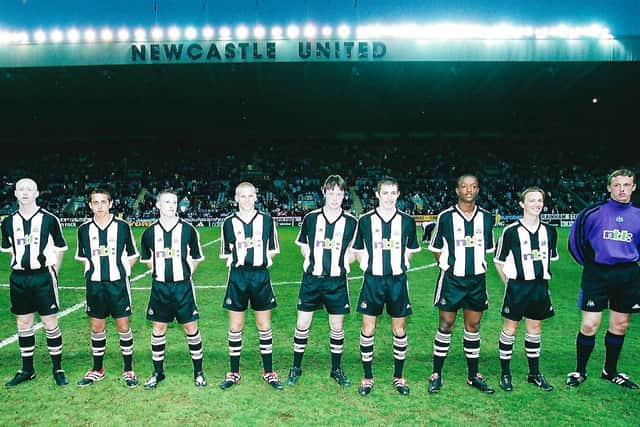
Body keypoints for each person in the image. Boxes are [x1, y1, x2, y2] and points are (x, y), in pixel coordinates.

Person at [566, 168, 640, 389]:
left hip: (627, 275)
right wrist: (592, 265)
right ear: (609, 187)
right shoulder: (593, 213)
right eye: (617, 185)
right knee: (589, 324)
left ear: (634, 187)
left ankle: (610, 371)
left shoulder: (638, 215)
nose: (621, 190)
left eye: (626, 185)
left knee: (620, 324)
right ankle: (580, 371)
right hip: (597, 273)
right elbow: (575, 243)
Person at [285, 175, 358, 387]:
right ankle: (296, 367)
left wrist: (347, 259)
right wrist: (308, 256)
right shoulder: (311, 218)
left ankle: (336, 369)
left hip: (337, 282)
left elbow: (356, 250)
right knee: (302, 323)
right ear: (324, 192)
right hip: (312, 280)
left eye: (339, 193)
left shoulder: (352, 222)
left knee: (336, 326)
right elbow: (302, 244)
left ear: (344, 195)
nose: (335, 198)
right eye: (331, 192)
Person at [427, 174, 495, 394]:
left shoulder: (486, 217)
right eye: (464, 187)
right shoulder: (446, 217)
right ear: (457, 190)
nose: (469, 190)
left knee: (472, 326)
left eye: (473, 186)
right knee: (446, 325)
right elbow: (436, 248)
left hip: (476, 281)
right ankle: (436, 373)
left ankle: (473, 375)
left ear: (478, 190)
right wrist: (447, 266)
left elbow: (487, 249)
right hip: (452, 281)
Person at [352, 176, 420, 396]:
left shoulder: (407, 221)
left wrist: (404, 261)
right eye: (385, 193)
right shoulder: (365, 220)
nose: (389, 197)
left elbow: (411, 247)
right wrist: (364, 261)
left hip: (397, 282)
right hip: (373, 281)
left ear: (398, 194)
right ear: (377, 194)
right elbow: (358, 247)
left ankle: (399, 377)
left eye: (393, 193)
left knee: (399, 329)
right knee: (368, 329)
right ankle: (367, 377)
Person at [1, 177, 69, 387]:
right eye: (21, 189)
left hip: (43, 277)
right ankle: (27, 369)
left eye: (29, 189)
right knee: (23, 323)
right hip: (19, 278)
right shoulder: (8, 222)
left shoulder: (49, 219)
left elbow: (60, 247)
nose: (25, 192)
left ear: (37, 193)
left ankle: (57, 368)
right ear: (15, 194)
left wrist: (53, 272)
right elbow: (9, 249)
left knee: (50, 323)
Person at [218, 182, 283, 390]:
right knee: (235, 326)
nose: (247, 200)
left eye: (250, 196)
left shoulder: (266, 220)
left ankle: (269, 371)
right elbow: (227, 254)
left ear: (256, 197)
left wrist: (260, 262)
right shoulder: (228, 223)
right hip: (238, 277)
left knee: (264, 326)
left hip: (260, 276)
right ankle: (234, 372)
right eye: (242, 196)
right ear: (236, 198)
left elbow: (272, 249)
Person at [139, 189, 207, 389]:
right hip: (160, 288)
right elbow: (147, 260)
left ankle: (198, 372)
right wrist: (162, 273)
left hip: (183, 288)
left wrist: (185, 274)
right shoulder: (149, 232)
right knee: (158, 329)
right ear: (158, 205)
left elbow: (196, 258)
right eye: (166, 202)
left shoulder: (188, 230)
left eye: (174, 202)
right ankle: (158, 373)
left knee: (191, 328)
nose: (171, 205)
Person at [493, 187, 558, 392]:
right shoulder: (511, 231)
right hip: (517, 287)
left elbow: (550, 259)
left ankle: (534, 374)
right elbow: (498, 261)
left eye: (540, 200)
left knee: (535, 328)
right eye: (531, 200)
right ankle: (505, 373)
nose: (536, 204)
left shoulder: (550, 231)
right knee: (510, 329)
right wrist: (509, 284)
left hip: (539, 286)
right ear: (522, 204)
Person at [74, 188, 140, 388]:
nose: (100, 206)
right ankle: (97, 369)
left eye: (104, 202)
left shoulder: (122, 227)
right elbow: (82, 257)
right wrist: (93, 273)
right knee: (97, 327)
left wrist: (122, 272)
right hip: (95, 286)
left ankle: (128, 370)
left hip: (118, 285)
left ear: (111, 203)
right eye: (96, 202)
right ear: (90, 205)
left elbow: (133, 254)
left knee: (123, 327)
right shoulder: (83, 230)